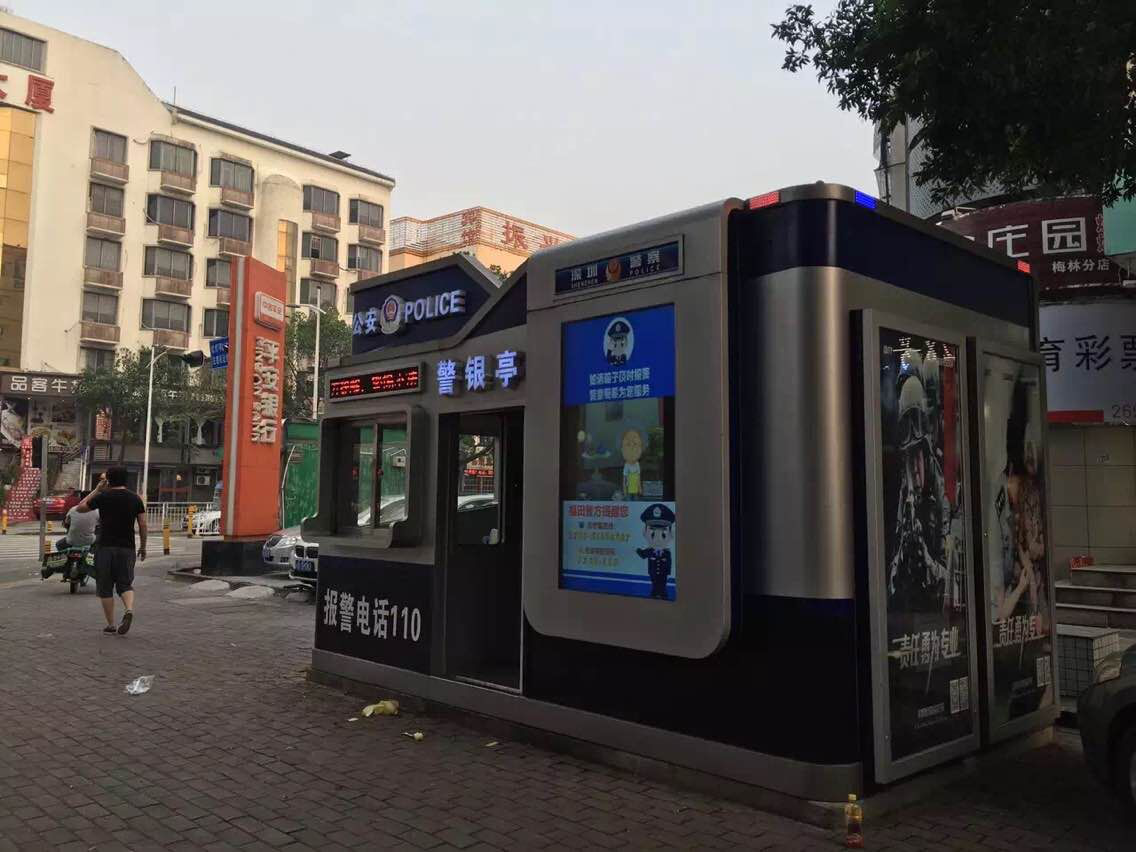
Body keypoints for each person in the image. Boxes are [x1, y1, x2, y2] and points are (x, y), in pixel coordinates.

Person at [74, 467, 146, 635]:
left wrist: (97, 490)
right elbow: (143, 524)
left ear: (109, 480)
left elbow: (80, 508)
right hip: (127, 548)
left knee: (105, 587)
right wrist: (143, 546)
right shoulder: (135, 498)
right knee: (125, 584)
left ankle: (111, 624)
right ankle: (128, 610)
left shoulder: (103, 496)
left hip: (105, 547)